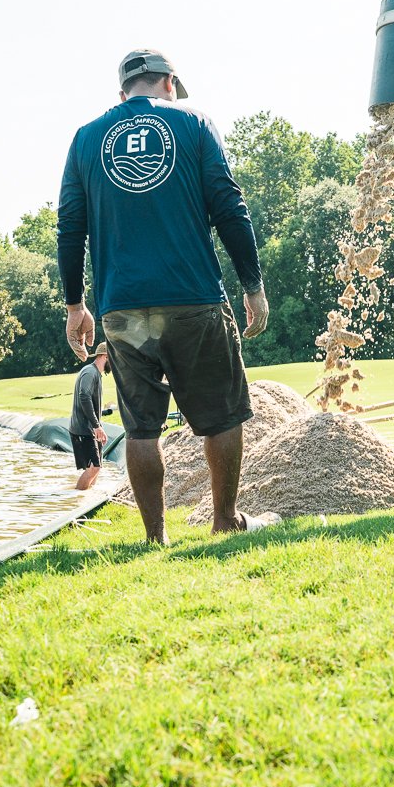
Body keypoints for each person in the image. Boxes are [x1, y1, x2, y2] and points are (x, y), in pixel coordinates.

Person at [57, 48, 277, 545]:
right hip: (193, 298)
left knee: (141, 427)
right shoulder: (194, 123)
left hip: (122, 308)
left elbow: (70, 227)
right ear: (170, 84)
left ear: (122, 94)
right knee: (221, 413)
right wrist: (252, 286)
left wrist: (76, 305)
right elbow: (229, 206)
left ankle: (155, 538)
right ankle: (225, 520)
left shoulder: (87, 138)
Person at [70, 342, 110, 490]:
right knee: (94, 468)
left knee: (97, 467)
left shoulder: (96, 374)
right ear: (105, 356)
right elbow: (84, 396)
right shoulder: (90, 372)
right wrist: (96, 426)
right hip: (83, 429)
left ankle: (88, 497)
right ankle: (77, 500)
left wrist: (99, 427)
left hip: (91, 428)